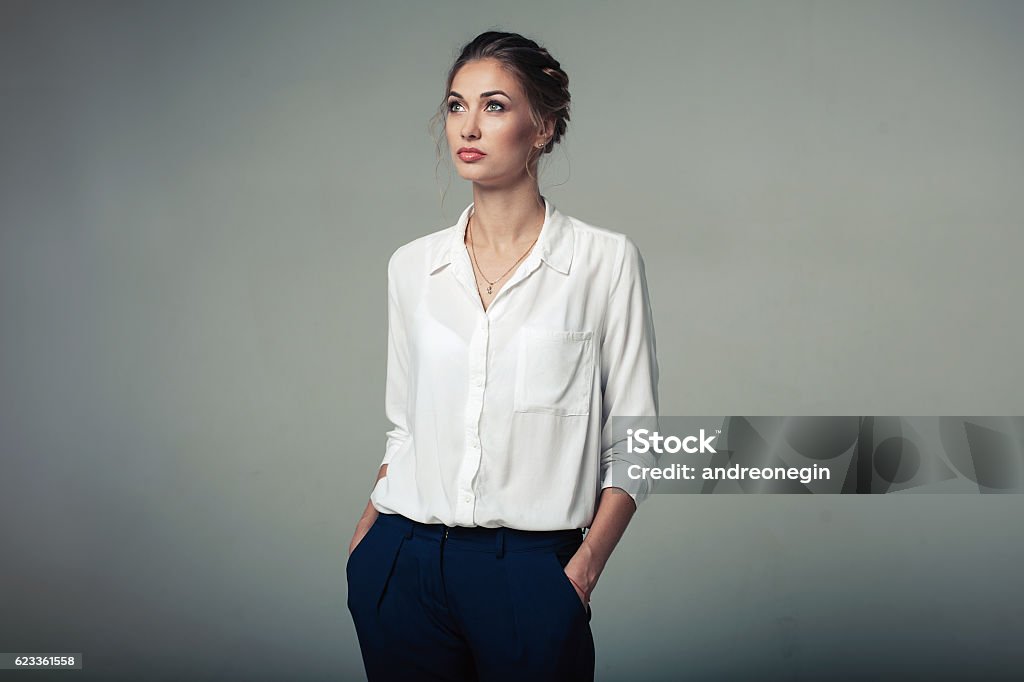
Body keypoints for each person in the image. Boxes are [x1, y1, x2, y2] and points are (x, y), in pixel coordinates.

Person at [345, 30, 659, 682]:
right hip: (402, 558)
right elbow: (404, 425)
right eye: (457, 105)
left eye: (494, 106)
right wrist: (367, 543)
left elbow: (638, 441)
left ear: (541, 127)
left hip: (530, 571)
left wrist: (583, 568)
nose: (469, 124)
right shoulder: (413, 268)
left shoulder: (603, 263)